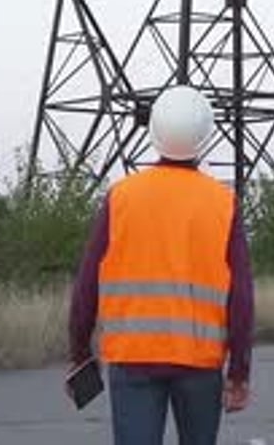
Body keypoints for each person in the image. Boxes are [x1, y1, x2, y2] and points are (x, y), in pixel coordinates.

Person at [67, 85, 254, 445]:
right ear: (205, 136)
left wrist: (79, 353)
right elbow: (241, 298)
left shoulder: (122, 197)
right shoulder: (222, 203)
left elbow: (87, 285)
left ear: (153, 131)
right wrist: (239, 373)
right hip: (200, 361)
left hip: (133, 357)